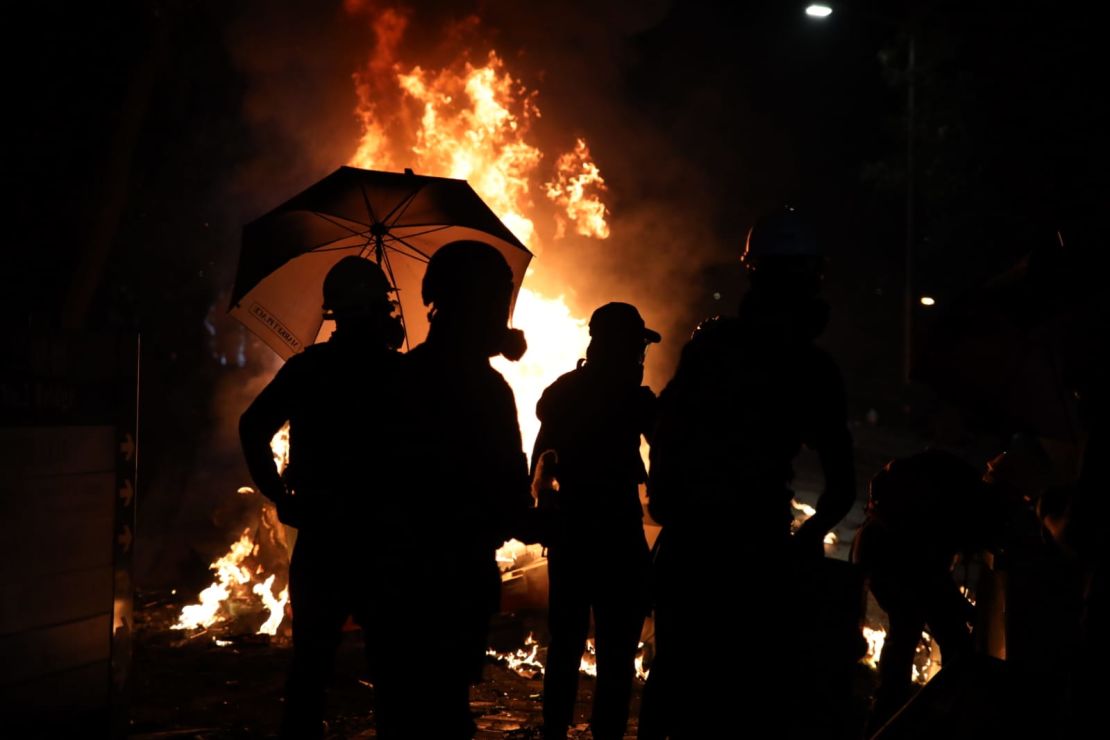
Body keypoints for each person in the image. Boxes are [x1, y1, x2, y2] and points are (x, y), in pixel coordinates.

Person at [640, 207, 858, 739]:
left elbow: (662, 430)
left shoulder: (711, 347)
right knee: (748, 700)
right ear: (811, 277)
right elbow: (842, 485)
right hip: (757, 557)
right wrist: (802, 538)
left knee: (672, 684)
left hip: (690, 549)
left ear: (752, 272)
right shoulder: (813, 369)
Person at [238, 255, 404, 740]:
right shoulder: (398, 375)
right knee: (391, 669)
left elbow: (253, 427)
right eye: (384, 309)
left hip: (323, 536)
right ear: (371, 311)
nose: (391, 318)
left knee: (311, 664)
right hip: (381, 540)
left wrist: (278, 492)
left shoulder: (308, 369)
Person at [391, 239, 535, 738]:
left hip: (397, 578)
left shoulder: (399, 379)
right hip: (457, 579)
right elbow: (515, 505)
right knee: (447, 712)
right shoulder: (489, 391)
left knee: (402, 709)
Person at [531, 302, 659, 740]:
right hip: (616, 537)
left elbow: (542, 461)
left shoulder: (564, 392)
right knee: (615, 649)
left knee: (565, 642)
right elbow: (667, 451)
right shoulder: (634, 400)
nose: (641, 357)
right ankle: (603, 732)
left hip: (572, 533)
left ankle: (555, 729)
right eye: (637, 347)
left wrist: (543, 511)